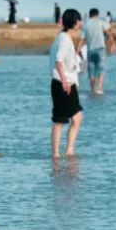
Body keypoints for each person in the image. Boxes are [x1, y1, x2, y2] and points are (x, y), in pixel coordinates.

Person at [50, 9, 83, 158]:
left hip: (66, 83)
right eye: (79, 20)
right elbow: (58, 60)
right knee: (60, 120)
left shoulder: (63, 37)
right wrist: (64, 80)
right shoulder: (64, 39)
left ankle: (67, 151)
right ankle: (57, 154)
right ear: (74, 22)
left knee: (75, 117)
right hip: (63, 83)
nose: (80, 23)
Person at [82, 8, 114, 94]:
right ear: (97, 14)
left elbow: (81, 39)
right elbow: (109, 33)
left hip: (90, 50)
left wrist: (77, 51)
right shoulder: (101, 22)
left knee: (91, 69)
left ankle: (93, 89)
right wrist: (113, 44)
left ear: (89, 15)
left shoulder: (86, 24)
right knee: (102, 68)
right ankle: (99, 88)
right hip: (100, 49)